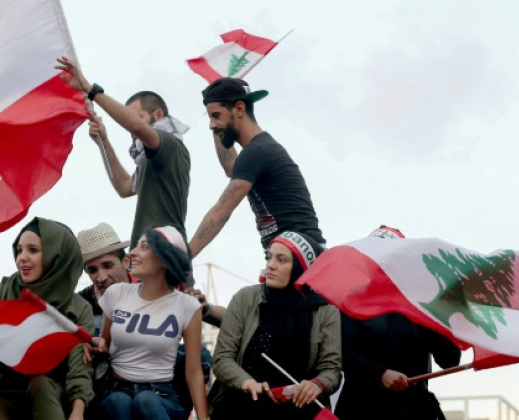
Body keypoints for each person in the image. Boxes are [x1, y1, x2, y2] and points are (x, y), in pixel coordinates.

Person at [0, 218, 94, 420]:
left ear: (57, 256)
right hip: (3, 389)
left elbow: (80, 369)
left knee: (40, 384)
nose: (22, 258)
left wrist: (77, 411)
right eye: (19, 250)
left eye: (33, 250)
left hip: (51, 393)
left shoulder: (78, 309)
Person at [56, 56, 192, 247]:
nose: (129, 128)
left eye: (138, 116)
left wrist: (89, 89)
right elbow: (124, 187)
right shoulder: (149, 159)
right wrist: (104, 142)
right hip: (146, 252)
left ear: (158, 115)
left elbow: (136, 126)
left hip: (163, 250)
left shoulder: (168, 143)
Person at [209, 231, 341, 420]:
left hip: (299, 411)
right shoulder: (245, 298)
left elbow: (332, 369)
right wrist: (247, 382)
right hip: (243, 408)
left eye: (281, 260)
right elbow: (222, 358)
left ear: (301, 268)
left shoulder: (326, 310)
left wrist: (317, 384)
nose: (271, 265)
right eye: (269, 257)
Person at [335, 226, 461, 420]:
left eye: (389, 254)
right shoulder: (350, 301)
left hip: (412, 409)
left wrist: (444, 311)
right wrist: (380, 374)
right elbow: (342, 354)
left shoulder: (422, 303)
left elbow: (449, 360)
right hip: (361, 407)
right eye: (374, 254)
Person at [188, 77, 324, 257]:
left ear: (239, 109)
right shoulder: (259, 149)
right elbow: (231, 168)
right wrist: (218, 129)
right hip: (295, 253)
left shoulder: (256, 152)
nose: (211, 125)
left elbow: (221, 211)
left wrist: (182, 259)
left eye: (216, 116)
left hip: (298, 254)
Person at [97, 226, 209, 420]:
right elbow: (103, 345)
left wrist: (203, 418)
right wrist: (87, 344)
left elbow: (193, 372)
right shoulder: (116, 293)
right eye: (136, 246)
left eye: (144, 247)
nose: (133, 252)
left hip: (161, 396)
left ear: (165, 258)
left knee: (145, 400)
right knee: (118, 402)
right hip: (117, 390)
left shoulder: (188, 306)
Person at [76, 222, 132, 337]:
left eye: (107, 266)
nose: (101, 278)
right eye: (93, 270)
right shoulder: (79, 305)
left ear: (125, 261)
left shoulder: (152, 288)